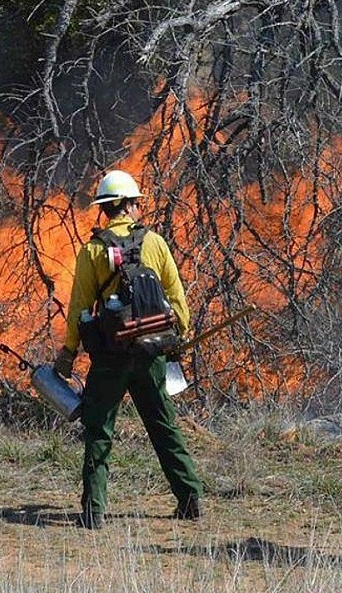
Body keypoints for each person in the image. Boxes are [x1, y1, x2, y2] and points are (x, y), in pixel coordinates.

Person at [52, 169, 203, 530]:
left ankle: (93, 513)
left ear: (107, 208)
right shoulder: (155, 243)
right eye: (136, 203)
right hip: (151, 352)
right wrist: (179, 338)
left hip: (111, 356)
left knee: (99, 429)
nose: (137, 208)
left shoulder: (92, 250)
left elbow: (80, 308)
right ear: (129, 205)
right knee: (163, 424)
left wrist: (69, 352)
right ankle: (190, 499)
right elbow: (177, 300)